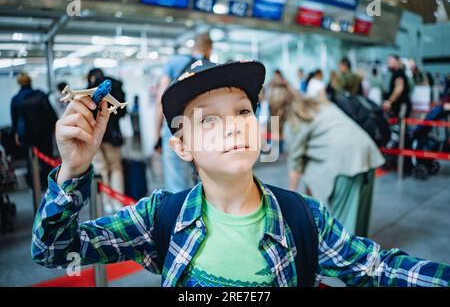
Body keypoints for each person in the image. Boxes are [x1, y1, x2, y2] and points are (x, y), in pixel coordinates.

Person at [32, 59, 450, 287]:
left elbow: (379, 269)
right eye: (208, 120)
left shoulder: (303, 219)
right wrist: (73, 168)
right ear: (182, 146)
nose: (233, 124)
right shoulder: (160, 217)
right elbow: (53, 249)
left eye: (243, 111)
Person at [269, 85, 384, 237]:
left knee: (343, 230)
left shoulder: (294, 123)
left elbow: (295, 166)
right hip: (366, 152)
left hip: (345, 161)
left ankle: (346, 259)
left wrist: (290, 201)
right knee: (360, 220)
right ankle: (364, 258)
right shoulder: (317, 104)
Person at [154, 32, 213, 192]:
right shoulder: (211, 66)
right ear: (209, 49)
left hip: (175, 129)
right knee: (208, 180)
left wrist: (156, 136)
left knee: (176, 184)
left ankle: (181, 215)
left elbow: (161, 100)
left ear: (194, 46)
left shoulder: (174, 62)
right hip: (206, 130)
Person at [87, 68, 127, 214]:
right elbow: (123, 111)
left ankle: (106, 202)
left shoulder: (89, 89)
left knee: (101, 169)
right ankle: (118, 201)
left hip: (95, 135)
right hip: (113, 135)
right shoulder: (116, 85)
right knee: (116, 168)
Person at [10, 72, 58, 189]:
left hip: (27, 136)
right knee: (47, 159)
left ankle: (35, 186)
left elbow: (15, 121)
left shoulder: (16, 99)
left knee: (31, 161)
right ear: (30, 81)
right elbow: (52, 115)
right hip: (44, 134)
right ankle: (49, 184)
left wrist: (17, 134)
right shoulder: (40, 95)